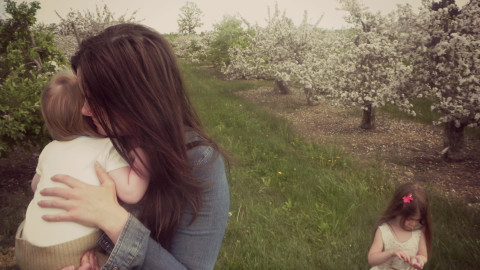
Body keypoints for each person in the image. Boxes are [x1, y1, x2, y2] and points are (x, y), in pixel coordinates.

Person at [37, 23, 230, 270]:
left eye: (96, 101)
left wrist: (114, 220)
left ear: (138, 101)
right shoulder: (100, 140)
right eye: (85, 98)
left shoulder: (199, 162)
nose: (84, 111)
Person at [15, 71, 150, 270]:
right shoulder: (106, 147)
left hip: (25, 246)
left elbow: (36, 186)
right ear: (86, 112)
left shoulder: (49, 150)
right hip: (68, 253)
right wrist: (142, 147)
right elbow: (131, 192)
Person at [368, 183, 432, 270]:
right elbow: (372, 259)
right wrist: (391, 253)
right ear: (398, 210)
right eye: (410, 219)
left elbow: (423, 255)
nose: (413, 223)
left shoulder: (418, 232)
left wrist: (418, 259)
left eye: (418, 220)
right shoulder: (384, 231)